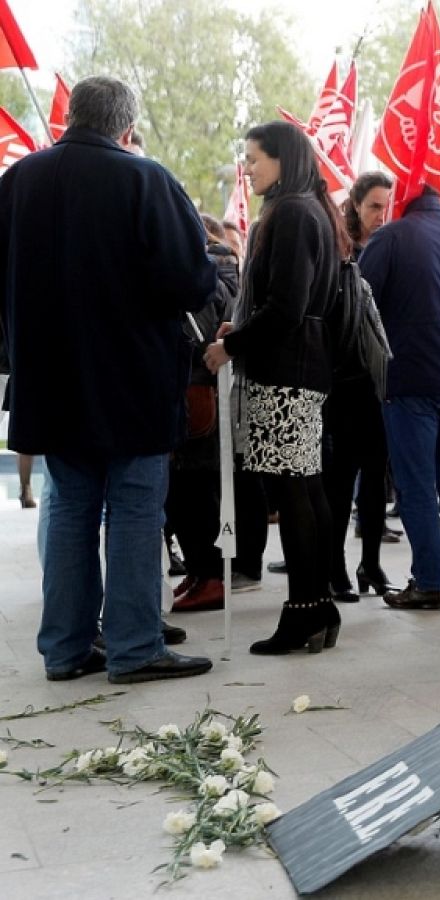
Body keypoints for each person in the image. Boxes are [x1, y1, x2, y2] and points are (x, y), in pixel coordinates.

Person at [3, 76, 218, 682]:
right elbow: (192, 283)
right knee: (132, 506)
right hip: (133, 380)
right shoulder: (146, 179)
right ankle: (133, 646)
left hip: (48, 378)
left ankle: (67, 650)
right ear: (127, 128)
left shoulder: (18, 181)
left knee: (69, 504)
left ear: (73, 116)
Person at [204, 120, 346, 656]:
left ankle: (305, 610)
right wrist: (240, 329)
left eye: (255, 158)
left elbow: (286, 307)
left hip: (286, 371)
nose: (247, 168)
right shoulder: (310, 208)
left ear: (282, 160)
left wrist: (231, 346)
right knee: (305, 487)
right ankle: (317, 605)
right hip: (304, 366)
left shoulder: (289, 212)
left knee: (294, 491)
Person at [359, 184, 440, 609]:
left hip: (410, 377)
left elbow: (361, 298)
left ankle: (429, 583)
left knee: (416, 485)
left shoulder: (390, 237)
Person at [322, 172, 397, 603]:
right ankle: (334, 567)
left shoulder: (389, 247)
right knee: (339, 479)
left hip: (376, 382)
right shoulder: (340, 249)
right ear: (354, 204)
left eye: (386, 205)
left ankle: (370, 561)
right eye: (373, 206)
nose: (381, 215)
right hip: (343, 382)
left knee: (374, 479)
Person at [169, 215, 241, 614]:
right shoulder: (224, 266)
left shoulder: (204, 270)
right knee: (191, 491)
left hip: (197, 384)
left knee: (190, 492)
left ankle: (209, 574)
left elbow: (201, 326)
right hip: (205, 386)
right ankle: (202, 572)